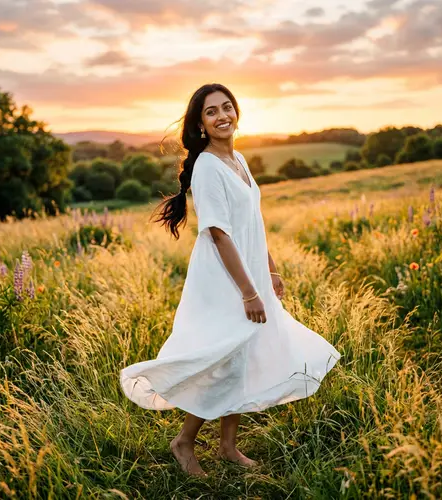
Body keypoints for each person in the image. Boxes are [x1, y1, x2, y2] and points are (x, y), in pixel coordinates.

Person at [120, 83, 341, 477]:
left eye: (227, 107)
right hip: (224, 279)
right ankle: (183, 442)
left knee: (244, 356)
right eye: (211, 112)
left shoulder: (238, 158)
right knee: (222, 360)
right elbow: (219, 233)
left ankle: (227, 446)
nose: (222, 116)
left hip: (249, 271)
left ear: (237, 112)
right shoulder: (206, 166)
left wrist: (269, 269)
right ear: (200, 124)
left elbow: (251, 223)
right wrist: (248, 291)